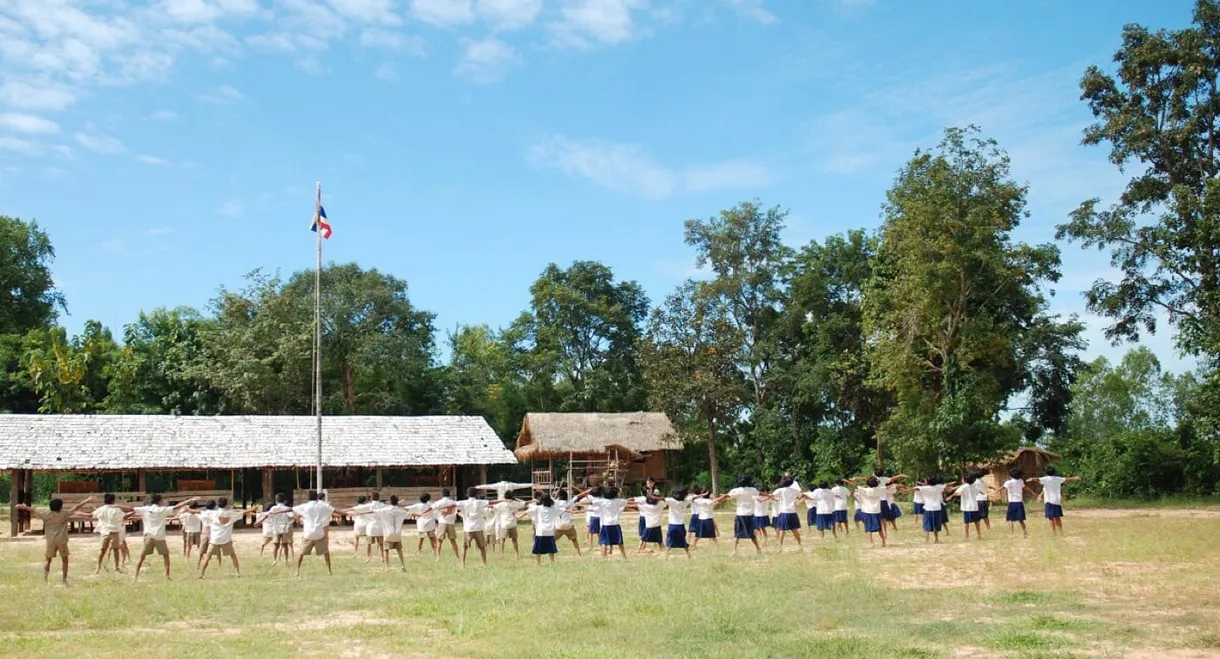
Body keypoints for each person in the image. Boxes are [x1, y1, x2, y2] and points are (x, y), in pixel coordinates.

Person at [15, 496, 94, 583]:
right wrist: (87, 500)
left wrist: (23, 507)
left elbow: (33, 510)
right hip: (62, 540)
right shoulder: (64, 513)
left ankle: (45, 579)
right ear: (60, 506)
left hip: (50, 541)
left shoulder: (46, 514)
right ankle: (64, 580)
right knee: (65, 560)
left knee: (48, 560)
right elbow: (77, 507)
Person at [132, 494, 199, 582]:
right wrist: (190, 500)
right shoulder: (163, 509)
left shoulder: (145, 509)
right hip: (159, 536)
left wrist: (115, 505)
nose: (164, 501)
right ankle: (167, 576)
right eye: (162, 500)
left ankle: (135, 576)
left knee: (142, 557)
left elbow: (130, 509)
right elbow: (176, 507)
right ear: (159, 501)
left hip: (148, 536)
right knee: (166, 556)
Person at [198, 497, 246, 578]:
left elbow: (199, 512)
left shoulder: (213, 514)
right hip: (226, 539)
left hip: (215, 539)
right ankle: (237, 572)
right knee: (233, 555)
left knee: (207, 557)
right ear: (226, 504)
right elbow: (243, 512)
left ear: (217, 504)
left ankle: (201, 574)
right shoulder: (230, 513)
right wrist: (252, 509)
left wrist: (188, 509)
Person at [292, 490, 335, 576]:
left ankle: (297, 571)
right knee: (326, 552)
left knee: (301, 553)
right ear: (317, 497)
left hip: (308, 533)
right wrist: (347, 512)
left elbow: (291, 510)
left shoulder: (305, 506)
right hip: (319, 532)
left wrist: (299, 519)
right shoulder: (322, 505)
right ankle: (329, 570)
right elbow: (335, 511)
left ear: (308, 497)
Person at [1031, 466, 1081, 535]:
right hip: (1057, 501)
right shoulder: (1058, 479)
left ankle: (1054, 532)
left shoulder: (1045, 479)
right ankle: (1061, 531)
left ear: (1046, 473)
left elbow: (1037, 479)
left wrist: (1031, 479)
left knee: (1051, 518)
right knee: (1057, 517)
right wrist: (1075, 478)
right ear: (1054, 472)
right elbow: (1067, 479)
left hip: (1049, 501)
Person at [447, 488, 490, 568]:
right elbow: (492, 502)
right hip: (478, 528)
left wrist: (444, 509)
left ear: (467, 494)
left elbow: (452, 505)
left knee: (464, 547)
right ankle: (484, 563)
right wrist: (505, 500)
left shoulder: (463, 503)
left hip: (468, 528)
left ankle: (462, 564)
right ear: (476, 494)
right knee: (482, 547)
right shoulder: (479, 502)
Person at [90, 493, 128, 574]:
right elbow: (124, 517)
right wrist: (132, 513)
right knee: (116, 550)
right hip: (114, 532)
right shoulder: (116, 509)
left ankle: (98, 568)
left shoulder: (101, 509)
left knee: (102, 550)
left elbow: (92, 514)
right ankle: (116, 567)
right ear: (113, 500)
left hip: (104, 532)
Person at [374, 495, 411, 570]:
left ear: (390, 501)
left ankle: (386, 567)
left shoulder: (384, 510)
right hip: (397, 534)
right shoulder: (400, 510)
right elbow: (408, 512)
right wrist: (399, 505)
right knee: (399, 550)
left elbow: (374, 510)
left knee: (386, 550)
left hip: (388, 533)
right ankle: (402, 566)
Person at [728, 476, 762, 556]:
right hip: (750, 515)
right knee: (751, 534)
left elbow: (728, 496)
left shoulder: (737, 490)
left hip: (740, 514)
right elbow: (760, 493)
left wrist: (718, 499)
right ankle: (758, 549)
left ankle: (734, 551)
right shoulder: (752, 490)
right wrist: (769, 495)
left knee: (737, 534)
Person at [595, 486, 629, 560]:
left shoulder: (602, 501)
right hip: (615, 524)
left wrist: (578, 503)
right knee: (619, 541)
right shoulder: (618, 501)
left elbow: (591, 502)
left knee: (603, 542)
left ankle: (604, 557)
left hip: (606, 524)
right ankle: (624, 556)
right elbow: (627, 501)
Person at [527, 492, 560, 565]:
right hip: (550, 531)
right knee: (551, 549)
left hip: (540, 531)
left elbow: (529, 510)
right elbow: (559, 508)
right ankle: (552, 562)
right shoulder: (553, 509)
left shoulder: (538, 508)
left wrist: (535, 502)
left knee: (538, 549)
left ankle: (538, 563)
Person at [946, 474, 983, 539]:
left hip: (967, 507)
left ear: (965, 480)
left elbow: (956, 493)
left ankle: (966, 535)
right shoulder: (974, 487)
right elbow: (976, 493)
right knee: (976, 521)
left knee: (966, 522)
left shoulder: (964, 487)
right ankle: (979, 534)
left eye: (962, 479)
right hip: (974, 506)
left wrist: (950, 497)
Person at [999, 468, 1033, 538]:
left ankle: (1012, 534)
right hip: (1019, 502)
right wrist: (1033, 493)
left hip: (1012, 502)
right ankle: (1025, 532)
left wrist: (994, 491)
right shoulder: (1020, 481)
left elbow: (1002, 488)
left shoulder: (1009, 482)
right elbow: (1026, 488)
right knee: (1021, 519)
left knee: (1010, 519)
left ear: (1011, 475)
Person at [771, 477, 804, 550]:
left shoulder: (780, 490)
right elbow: (801, 495)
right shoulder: (794, 490)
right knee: (794, 530)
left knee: (782, 530)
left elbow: (772, 496)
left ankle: (780, 547)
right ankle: (800, 545)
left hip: (784, 512)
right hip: (793, 512)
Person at [854, 477, 887, 547]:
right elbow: (888, 486)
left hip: (867, 511)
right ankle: (883, 542)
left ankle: (871, 543)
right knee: (879, 528)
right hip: (877, 511)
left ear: (868, 484)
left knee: (868, 528)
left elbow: (855, 486)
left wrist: (848, 481)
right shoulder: (880, 490)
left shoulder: (865, 490)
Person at [915, 476, 947, 544]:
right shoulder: (938, 487)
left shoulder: (925, 488)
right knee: (936, 525)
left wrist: (907, 490)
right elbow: (946, 487)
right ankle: (936, 539)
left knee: (927, 524)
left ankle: (927, 539)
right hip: (937, 508)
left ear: (928, 482)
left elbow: (916, 488)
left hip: (928, 508)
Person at [633, 490, 666, 555]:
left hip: (649, 525)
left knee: (643, 538)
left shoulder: (645, 506)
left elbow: (635, 505)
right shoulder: (660, 504)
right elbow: (664, 500)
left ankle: (638, 550)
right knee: (659, 540)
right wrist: (657, 497)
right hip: (657, 525)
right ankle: (663, 550)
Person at [663, 487, 692, 559]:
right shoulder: (685, 501)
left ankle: (666, 556)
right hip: (681, 525)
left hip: (672, 524)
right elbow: (693, 497)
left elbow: (661, 499)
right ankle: (688, 555)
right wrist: (703, 494)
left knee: (669, 540)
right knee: (683, 540)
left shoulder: (671, 501)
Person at [431, 489, 460, 560]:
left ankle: (438, 557)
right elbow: (458, 509)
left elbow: (432, 508)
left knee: (439, 540)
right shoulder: (453, 502)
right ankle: (457, 555)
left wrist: (437, 516)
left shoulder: (438, 502)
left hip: (442, 522)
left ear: (442, 494)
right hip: (451, 522)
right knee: (453, 540)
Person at [405, 493, 438, 558]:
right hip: (430, 523)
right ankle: (434, 550)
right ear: (428, 499)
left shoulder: (418, 505)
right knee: (431, 538)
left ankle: (419, 551)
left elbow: (407, 508)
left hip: (421, 524)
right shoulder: (430, 504)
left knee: (421, 538)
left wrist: (397, 504)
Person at [552, 489, 582, 556]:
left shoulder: (555, 502)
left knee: (551, 541)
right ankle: (578, 554)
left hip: (558, 526)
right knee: (574, 539)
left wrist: (539, 489)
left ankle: (552, 554)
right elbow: (579, 496)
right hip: (568, 525)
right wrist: (589, 490)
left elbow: (546, 497)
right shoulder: (570, 502)